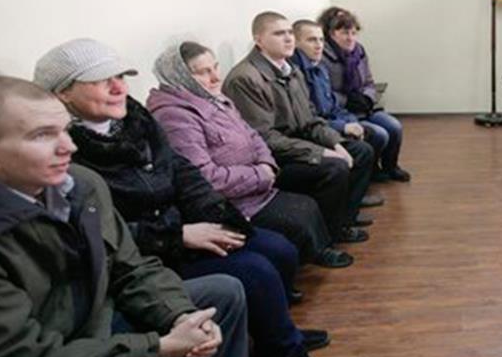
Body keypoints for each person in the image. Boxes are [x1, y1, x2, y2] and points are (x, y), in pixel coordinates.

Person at [33, 39, 322, 357]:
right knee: (255, 271)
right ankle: (287, 350)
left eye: (121, 77)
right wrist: (178, 235)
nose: (119, 88)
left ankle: (273, 332)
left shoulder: (135, 118)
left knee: (277, 249)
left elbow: (181, 170)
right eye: (102, 81)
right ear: (63, 92)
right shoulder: (64, 155)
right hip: (151, 252)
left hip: (179, 225)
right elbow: (105, 236)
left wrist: (216, 213)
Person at [0, 76, 239, 357]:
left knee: (221, 297)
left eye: (65, 130)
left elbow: (131, 268)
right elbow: (20, 354)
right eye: (42, 135)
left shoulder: (82, 184)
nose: (69, 147)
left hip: (97, 320)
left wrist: (181, 315)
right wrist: (158, 347)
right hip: (54, 346)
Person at [147, 41, 359, 269]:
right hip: (231, 203)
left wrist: (266, 164)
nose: (216, 77)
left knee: (307, 205)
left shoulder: (215, 99)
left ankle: (319, 249)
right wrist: (261, 175)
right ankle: (307, 258)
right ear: (180, 77)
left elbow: (253, 136)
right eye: (203, 72)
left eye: (215, 67)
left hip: (256, 184)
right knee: (293, 224)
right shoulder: (174, 117)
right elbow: (205, 178)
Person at [223, 11, 380, 247]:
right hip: (274, 158)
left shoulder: (290, 70)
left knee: (361, 151)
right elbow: (264, 138)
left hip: (297, 144)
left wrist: (335, 143)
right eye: (279, 33)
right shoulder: (245, 78)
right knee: (335, 167)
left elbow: (310, 119)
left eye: (289, 33)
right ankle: (325, 241)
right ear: (259, 40)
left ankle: (342, 222)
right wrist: (321, 152)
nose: (288, 38)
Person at [318, 6, 411, 182]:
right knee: (380, 134)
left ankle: (391, 167)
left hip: (364, 107)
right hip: (342, 112)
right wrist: (347, 100)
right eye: (345, 33)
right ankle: (372, 170)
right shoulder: (322, 57)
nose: (350, 38)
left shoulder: (359, 51)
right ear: (331, 33)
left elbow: (369, 81)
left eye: (354, 33)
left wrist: (368, 97)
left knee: (394, 126)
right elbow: (324, 94)